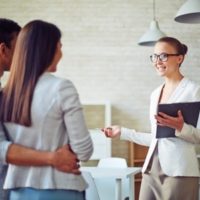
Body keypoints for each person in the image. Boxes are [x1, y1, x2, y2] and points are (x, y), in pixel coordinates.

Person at [0, 19, 93, 200]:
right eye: (60, 46)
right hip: (59, 187)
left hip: (17, 191)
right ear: (48, 48)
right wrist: (56, 156)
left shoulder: (6, 94)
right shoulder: (61, 87)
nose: (61, 52)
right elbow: (84, 150)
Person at [102, 37, 200, 200]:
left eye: (163, 56)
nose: (157, 61)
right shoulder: (155, 94)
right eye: (154, 56)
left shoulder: (194, 91)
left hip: (179, 172)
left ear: (179, 58)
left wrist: (181, 128)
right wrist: (123, 133)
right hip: (151, 170)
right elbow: (157, 138)